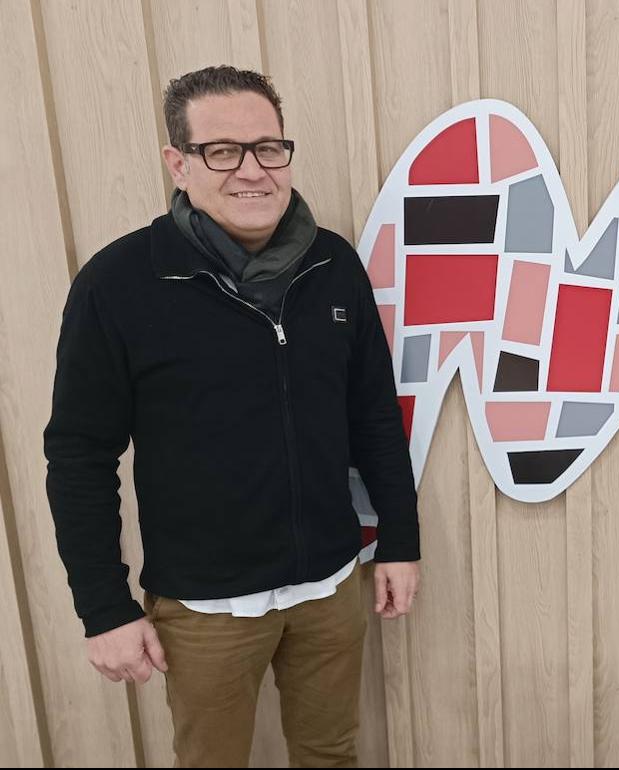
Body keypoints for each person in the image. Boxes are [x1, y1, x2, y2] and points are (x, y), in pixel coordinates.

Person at [44, 65, 421, 767]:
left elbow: (372, 414)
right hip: (205, 611)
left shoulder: (332, 265)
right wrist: (104, 608)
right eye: (223, 150)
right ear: (179, 163)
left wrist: (399, 539)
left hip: (332, 587)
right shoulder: (119, 283)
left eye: (268, 147)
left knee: (331, 753)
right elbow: (78, 456)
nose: (253, 171)